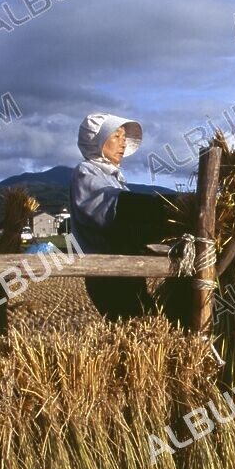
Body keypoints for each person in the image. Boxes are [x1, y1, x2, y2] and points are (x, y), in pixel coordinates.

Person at [70, 112, 188, 323]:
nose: (123, 143)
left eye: (124, 137)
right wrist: (173, 205)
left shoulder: (114, 177)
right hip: (107, 270)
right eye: (116, 136)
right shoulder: (86, 172)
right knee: (136, 323)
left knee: (150, 320)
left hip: (127, 265)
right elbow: (112, 206)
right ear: (96, 141)